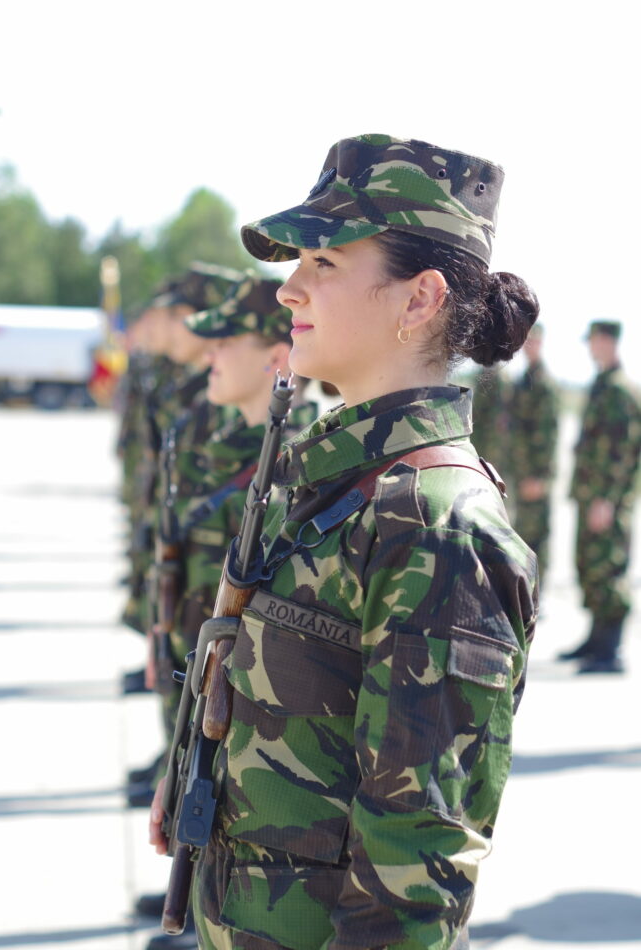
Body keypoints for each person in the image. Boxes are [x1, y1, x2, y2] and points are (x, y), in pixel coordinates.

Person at [149, 134, 540, 950]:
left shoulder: (438, 526)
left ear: (419, 299)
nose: (289, 290)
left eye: (323, 264)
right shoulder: (335, 478)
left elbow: (414, 869)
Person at [140, 275, 318, 947]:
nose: (206, 353)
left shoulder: (293, 462)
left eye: (226, 340)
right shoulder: (217, 434)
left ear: (275, 358)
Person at [559, 321, 641, 673]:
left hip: (605, 501)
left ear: (607, 341)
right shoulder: (603, 385)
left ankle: (611, 651)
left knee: (608, 568)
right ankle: (596, 641)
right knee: (591, 567)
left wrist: (606, 499)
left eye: (593, 341)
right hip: (591, 496)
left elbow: (623, 452)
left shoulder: (620, 390)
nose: (591, 348)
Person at [506, 322, 560, 582]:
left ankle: (541, 589)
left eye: (534, 342)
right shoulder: (522, 381)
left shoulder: (544, 385)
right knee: (522, 532)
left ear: (542, 343)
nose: (530, 347)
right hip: (521, 471)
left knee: (537, 535)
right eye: (526, 342)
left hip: (535, 476)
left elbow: (550, 437)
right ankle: (527, 587)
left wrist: (540, 477)